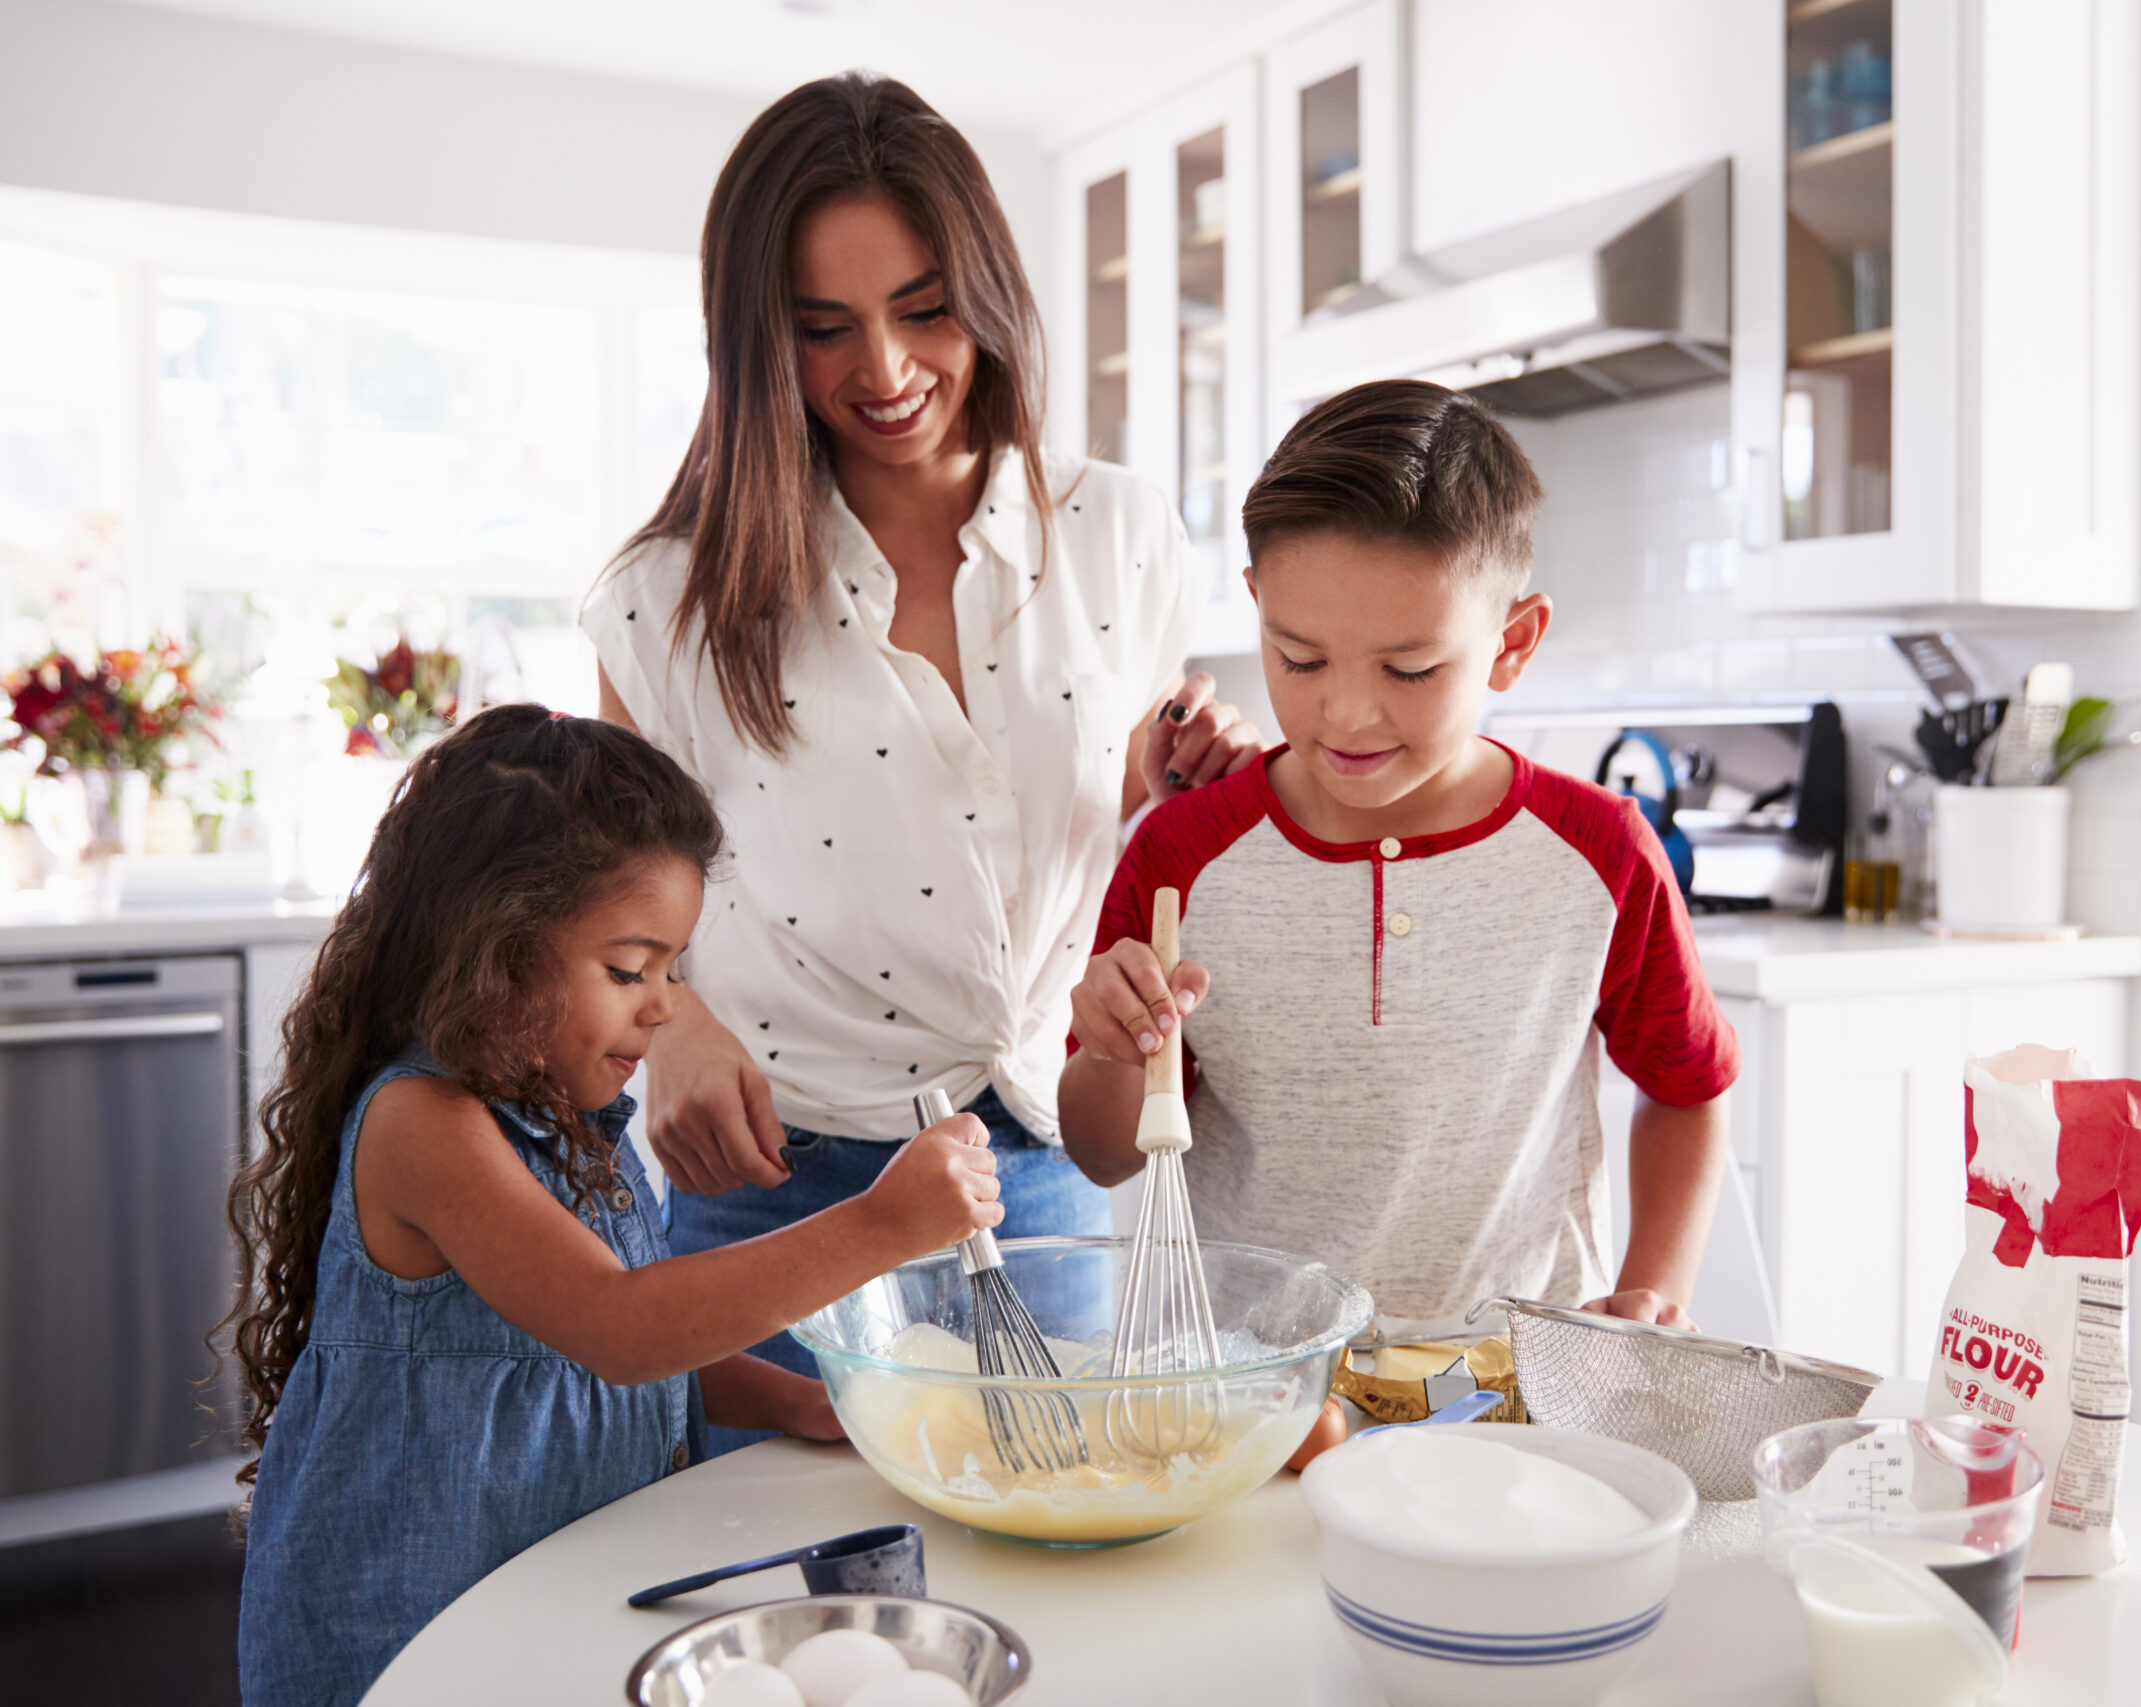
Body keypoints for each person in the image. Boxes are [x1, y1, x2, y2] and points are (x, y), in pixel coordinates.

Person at [583, 74, 1258, 1444]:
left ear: (992, 296)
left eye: (926, 309)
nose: (883, 372)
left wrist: (1162, 771)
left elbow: (1036, 802)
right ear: (755, 340)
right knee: (801, 1611)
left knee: (1058, 1574)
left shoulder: (1121, 534)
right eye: (823, 329)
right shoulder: (669, 598)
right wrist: (685, 1030)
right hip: (777, 1181)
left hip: (1041, 1161)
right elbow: (602, 907)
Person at [224, 707, 1002, 1706]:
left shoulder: (568, 1119)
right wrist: (880, 1226)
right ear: (491, 950)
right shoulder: (425, 1127)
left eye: (674, 969)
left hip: (547, 1601)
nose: (665, 1003)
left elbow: (613, 1339)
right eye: (630, 969)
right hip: (417, 1635)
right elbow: (617, 1329)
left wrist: (798, 1401)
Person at [1058, 380, 1739, 1348]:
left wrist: (1652, 1294)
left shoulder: (1597, 853)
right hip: (1248, 1390)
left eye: (1408, 670)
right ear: (1256, 605)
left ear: (1513, 643)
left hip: (1512, 1392)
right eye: (1298, 659)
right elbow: (1101, 1155)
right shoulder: (1184, 852)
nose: (1346, 714)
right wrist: (1112, 1053)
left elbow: (1686, 1087)